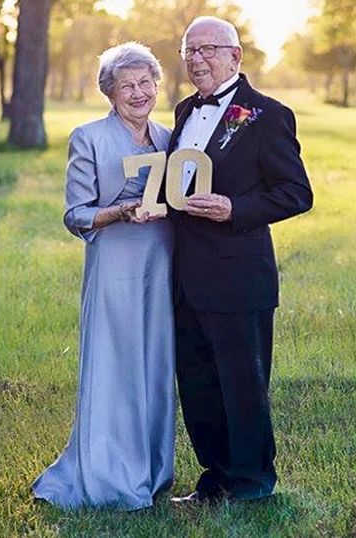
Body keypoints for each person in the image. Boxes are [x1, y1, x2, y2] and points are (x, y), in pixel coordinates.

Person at [168, 16, 313, 503]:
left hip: (237, 275)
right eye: (190, 51)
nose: (197, 59)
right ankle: (214, 477)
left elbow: (296, 192)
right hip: (185, 276)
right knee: (199, 385)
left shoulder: (267, 114)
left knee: (242, 386)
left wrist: (236, 209)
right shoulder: (184, 108)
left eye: (208, 49)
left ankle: (252, 484)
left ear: (236, 55)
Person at [32, 42, 176, 510]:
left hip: (162, 262)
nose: (137, 92)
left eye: (145, 82)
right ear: (109, 93)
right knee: (115, 363)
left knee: (155, 360)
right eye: (126, 85)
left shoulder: (171, 138)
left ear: (158, 85)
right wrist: (119, 213)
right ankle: (109, 473)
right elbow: (75, 214)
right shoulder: (88, 137)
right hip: (115, 261)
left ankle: (153, 469)